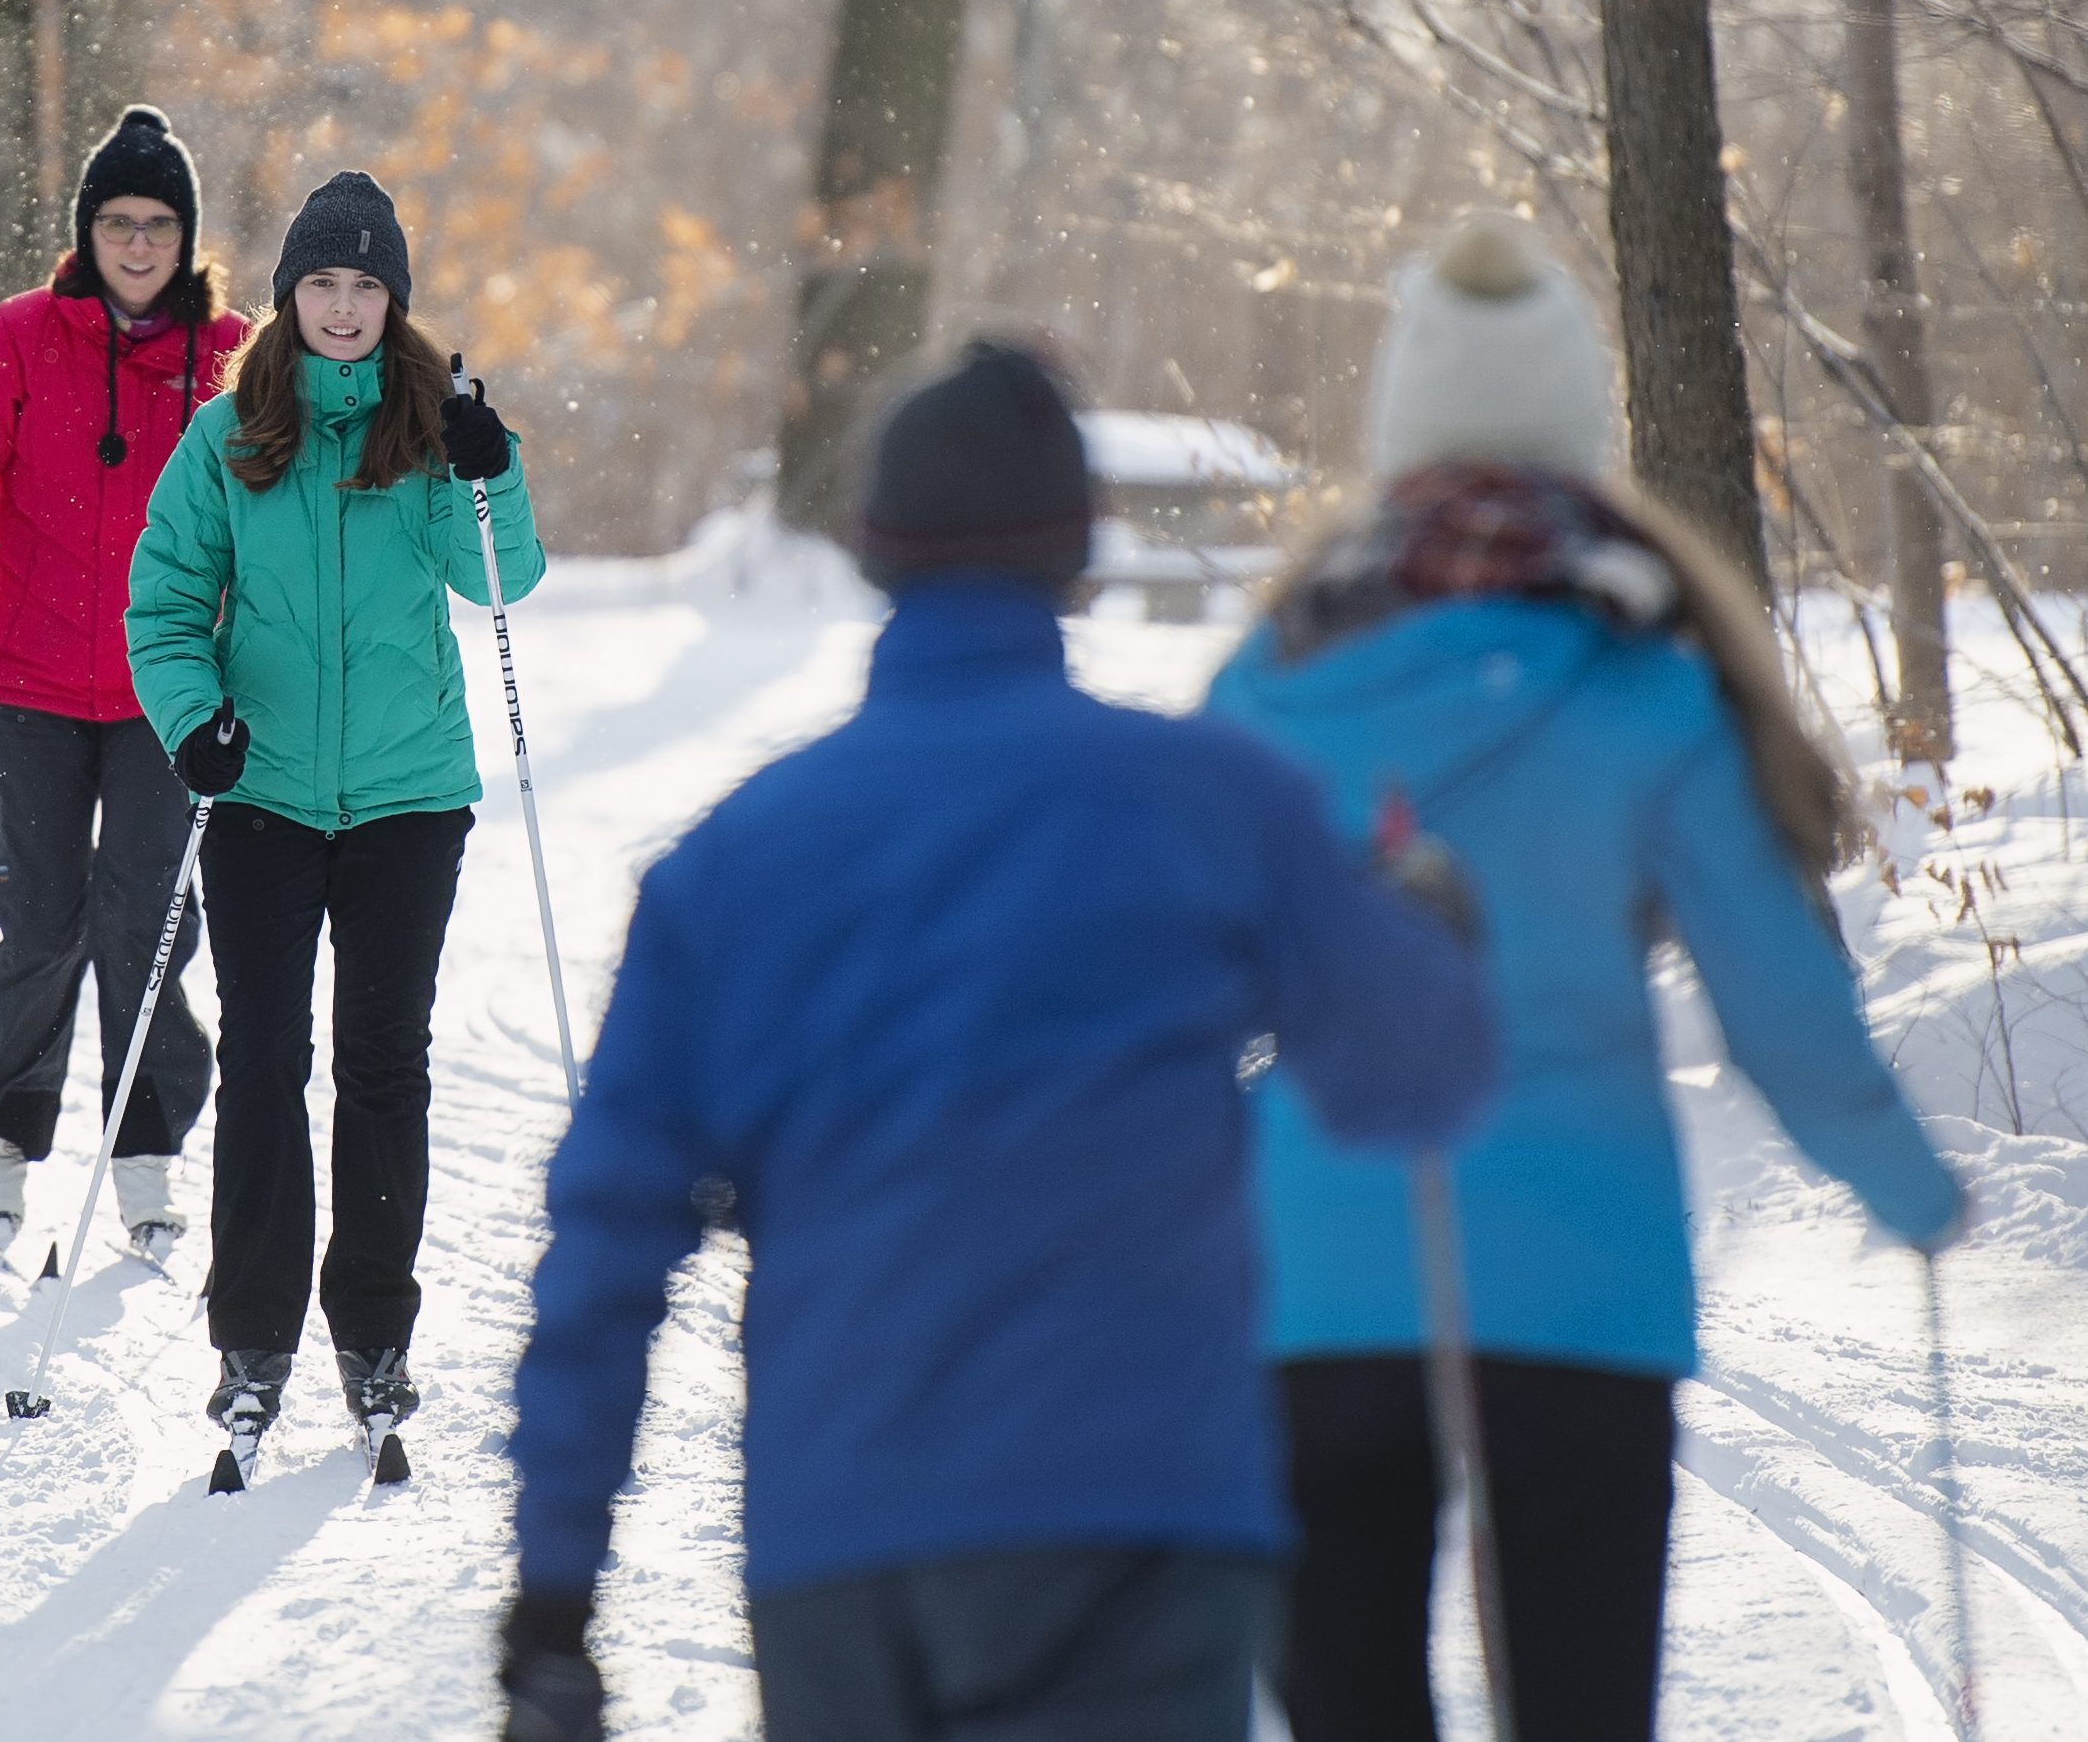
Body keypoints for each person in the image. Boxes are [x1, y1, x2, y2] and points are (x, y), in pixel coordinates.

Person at [497, 342, 1501, 1742]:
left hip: (846, 1552)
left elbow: (609, 1238)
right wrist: (1425, 934)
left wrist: (556, 1595)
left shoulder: (733, 865)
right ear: (1079, 547)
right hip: (1138, 1522)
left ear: (871, 545)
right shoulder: (1209, 802)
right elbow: (1415, 1084)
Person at [1201, 214, 1968, 1742]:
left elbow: (1180, 981)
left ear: (1401, 418)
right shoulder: (1651, 688)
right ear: (1580, 426)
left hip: (1320, 1284)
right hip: (1581, 1282)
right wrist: (1908, 1184)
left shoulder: (1271, 680)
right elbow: (1780, 1007)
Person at [125, 169, 540, 1460]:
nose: (345, 307)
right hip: (260, 790)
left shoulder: (432, 422)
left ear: (394, 298)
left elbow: (501, 578)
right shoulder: (230, 431)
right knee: (263, 1058)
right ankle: (252, 1336)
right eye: (323, 282)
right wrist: (193, 721)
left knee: (383, 1058)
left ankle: (374, 1330)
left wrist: (491, 467)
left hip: (409, 795)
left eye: (367, 285)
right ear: (289, 294)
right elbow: (164, 605)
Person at [0, 106, 250, 1266]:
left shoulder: (234, 357)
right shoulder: (19, 338)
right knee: (38, 916)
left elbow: (292, 497)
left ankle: (145, 1156)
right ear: (87, 231)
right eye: (118, 222)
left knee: (149, 923)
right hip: (26, 679)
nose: (138, 244)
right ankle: (2, 1143)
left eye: (159, 224)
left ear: (187, 237)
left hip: (169, 690)